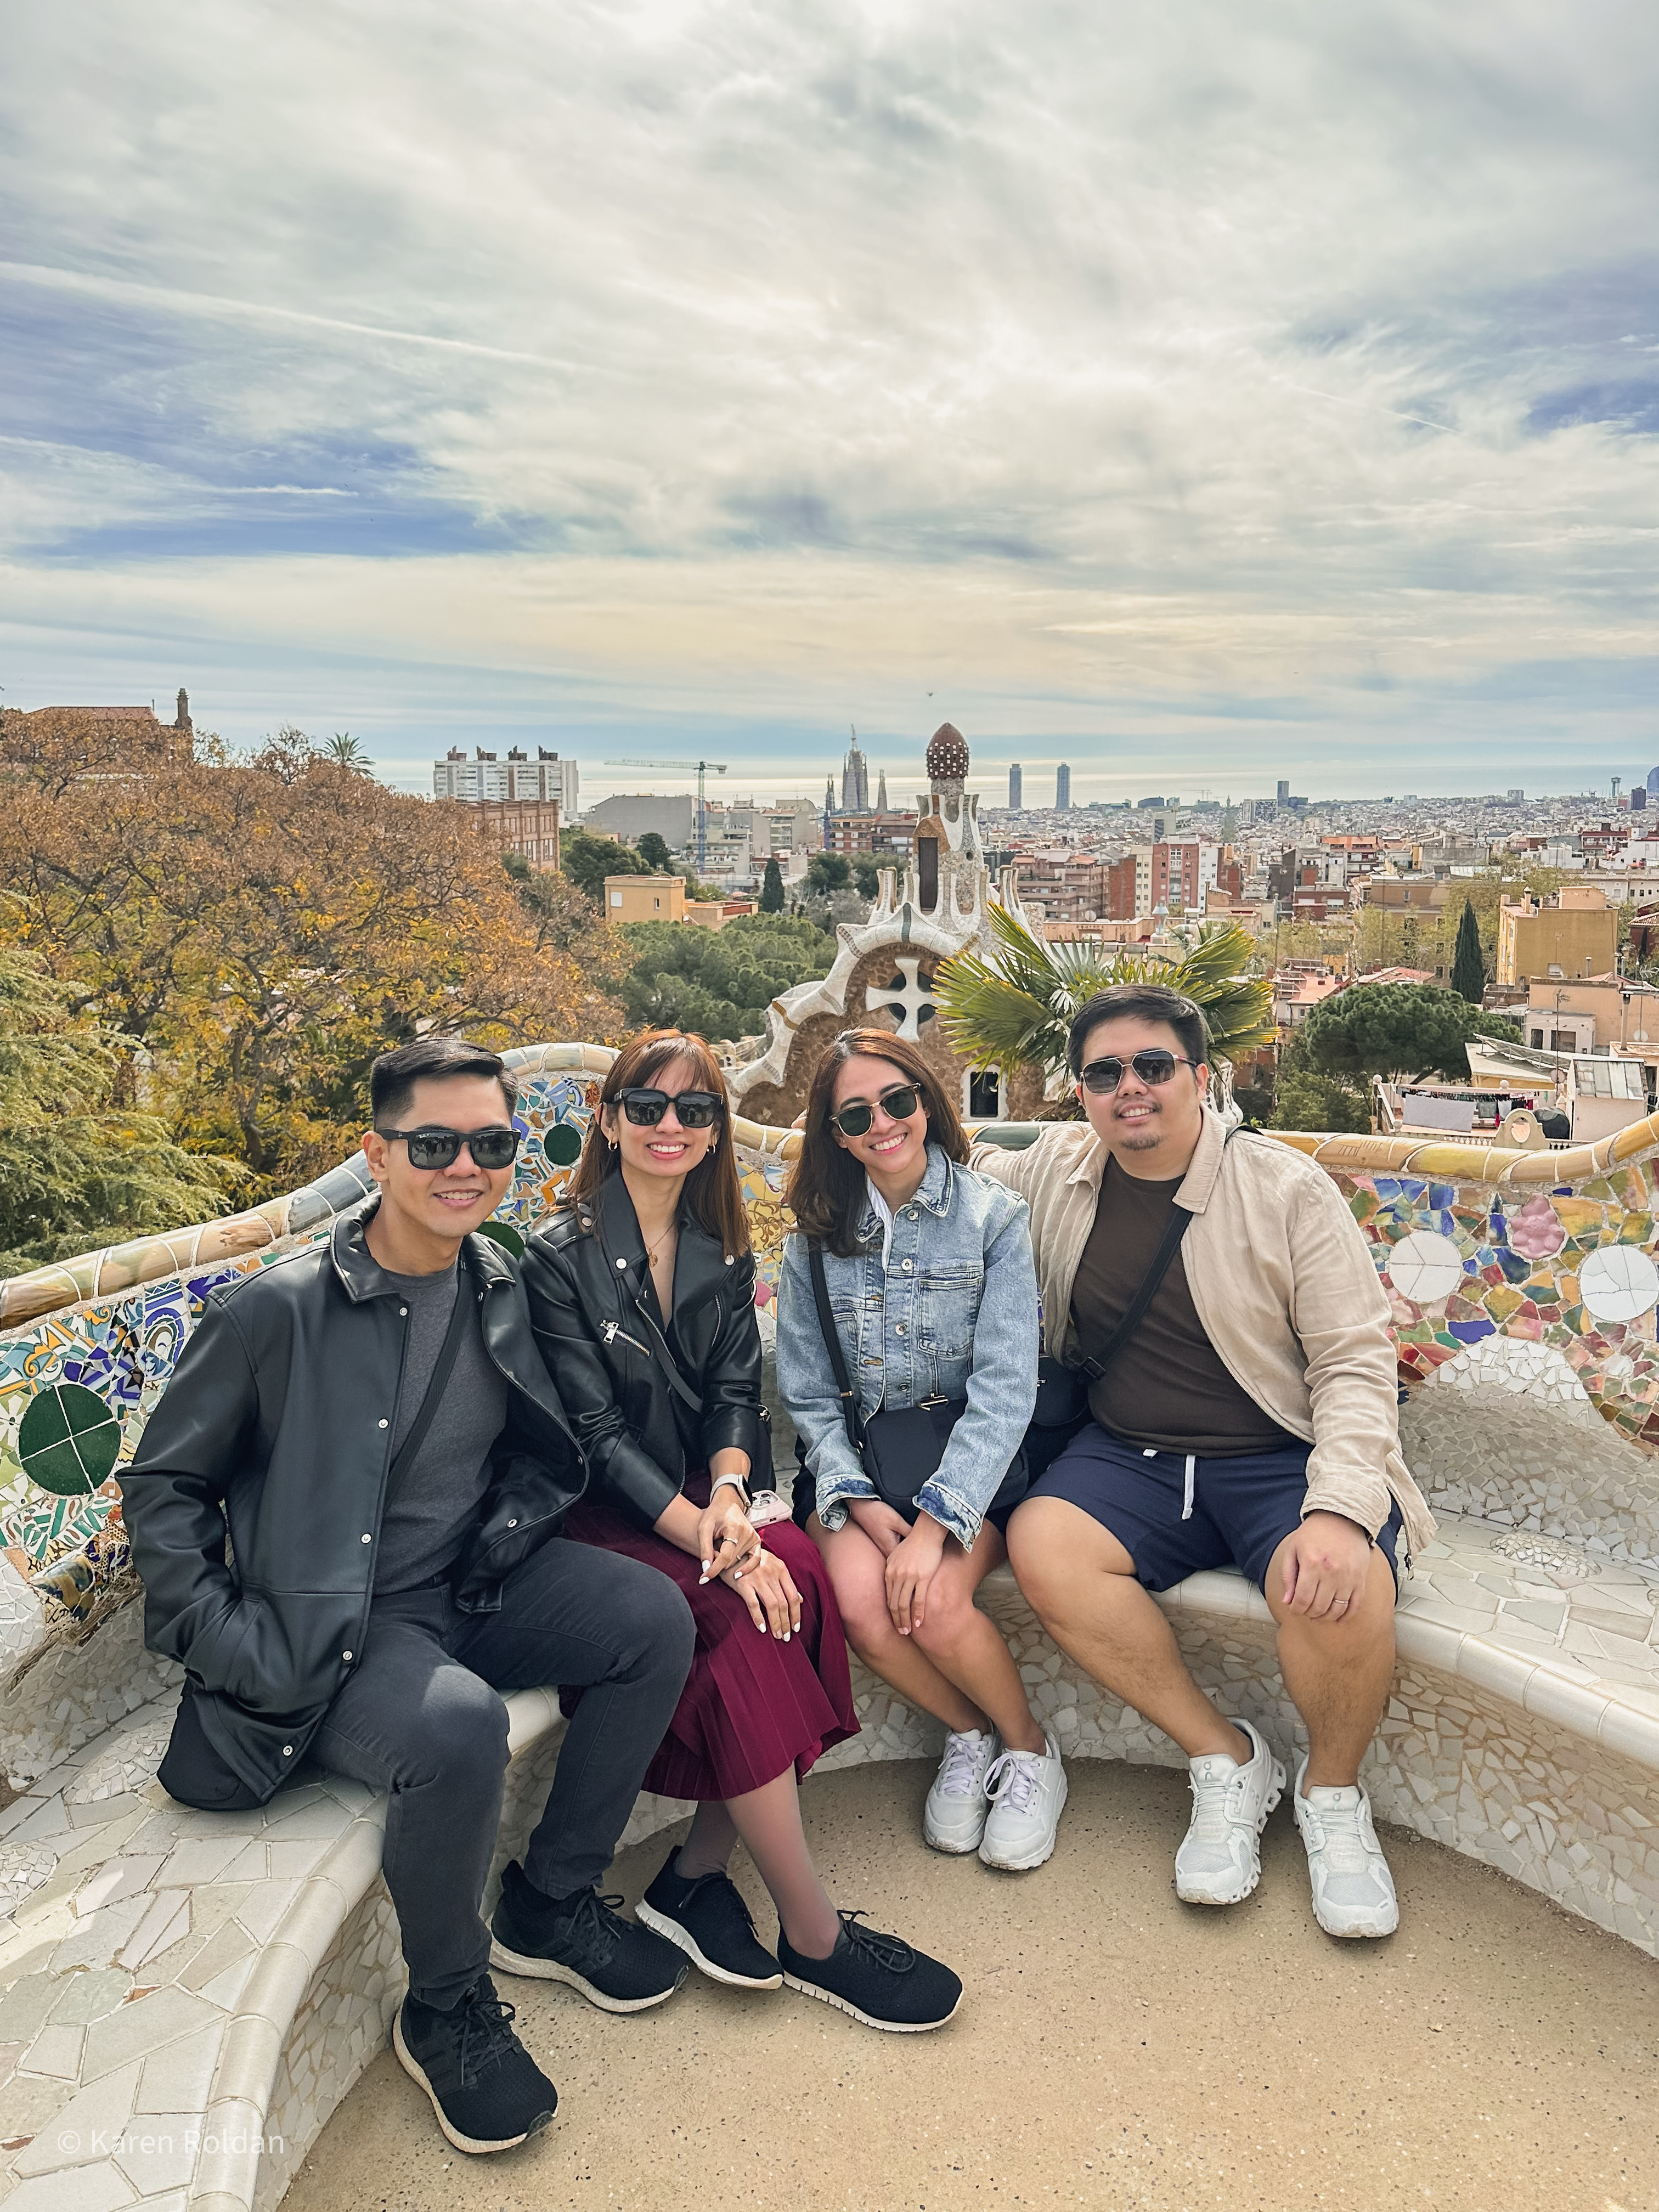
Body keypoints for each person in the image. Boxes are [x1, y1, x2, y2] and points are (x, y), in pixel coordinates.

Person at [122, 1037, 697, 2159]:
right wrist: (233, 1641)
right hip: (337, 1626)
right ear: (376, 1154)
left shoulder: (500, 1283)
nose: (464, 1168)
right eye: (433, 1144)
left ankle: (555, 1900)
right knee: (455, 1726)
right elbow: (162, 1489)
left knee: (652, 1620)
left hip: (473, 1584)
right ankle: (445, 2003)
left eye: (490, 1144)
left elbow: (567, 1422)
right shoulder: (277, 1315)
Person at [522, 1029, 962, 2032]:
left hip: (694, 1498)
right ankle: (815, 1937)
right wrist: (710, 1541)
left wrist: (731, 1502)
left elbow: (733, 1398)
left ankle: (697, 1872)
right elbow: (589, 1437)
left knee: (798, 1565)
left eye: (695, 1110)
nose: (670, 1127)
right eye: (647, 1107)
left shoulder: (723, 1250)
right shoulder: (560, 1260)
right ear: (609, 1120)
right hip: (595, 1511)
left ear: (719, 1129)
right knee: (733, 1617)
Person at [975, 984, 1436, 1939]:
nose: (1130, 1089)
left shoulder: (1285, 1188)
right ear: (1080, 1091)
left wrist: (1343, 1510)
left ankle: (1333, 1796)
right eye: (1105, 1073)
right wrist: (848, 1134)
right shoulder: (1057, 1170)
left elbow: (1355, 1358)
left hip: (1280, 1452)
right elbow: (947, 1160)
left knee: (1336, 1585)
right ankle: (1227, 1759)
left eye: (1153, 1066)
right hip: (1132, 1456)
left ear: (1202, 1077)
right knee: (1044, 1545)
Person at [777, 1029, 1066, 1871]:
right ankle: (970, 1735)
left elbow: (1007, 1389)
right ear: (837, 1135)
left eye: (897, 1101)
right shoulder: (814, 1238)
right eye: (856, 1114)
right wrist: (864, 1507)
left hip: (968, 1475)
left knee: (936, 1604)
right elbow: (806, 1393)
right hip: (864, 1475)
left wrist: (936, 1524)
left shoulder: (993, 1219)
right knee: (866, 1610)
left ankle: (1029, 1749)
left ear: (926, 1103)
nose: (883, 1124)